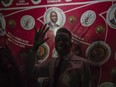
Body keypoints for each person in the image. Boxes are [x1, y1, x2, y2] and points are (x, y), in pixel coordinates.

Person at [25, 24, 93, 87]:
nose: (60, 43)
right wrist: (35, 47)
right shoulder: (52, 62)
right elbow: (31, 71)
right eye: (58, 40)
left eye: (64, 40)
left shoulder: (82, 63)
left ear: (71, 44)